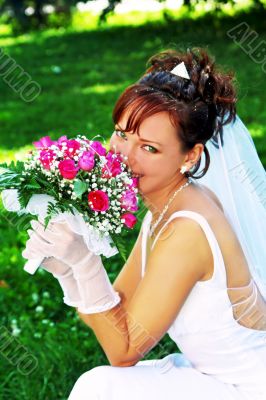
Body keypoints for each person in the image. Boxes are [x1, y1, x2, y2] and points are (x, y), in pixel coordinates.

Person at [23, 47, 266, 400]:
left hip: (247, 389)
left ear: (190, 155)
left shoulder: (188, 228)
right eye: (122, 134)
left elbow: (123, 351)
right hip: (213, 377)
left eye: (149, 148)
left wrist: (85, 262)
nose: (123, 155)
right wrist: (67, 270)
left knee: (101, 385)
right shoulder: (168, 205)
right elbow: (113, 311)